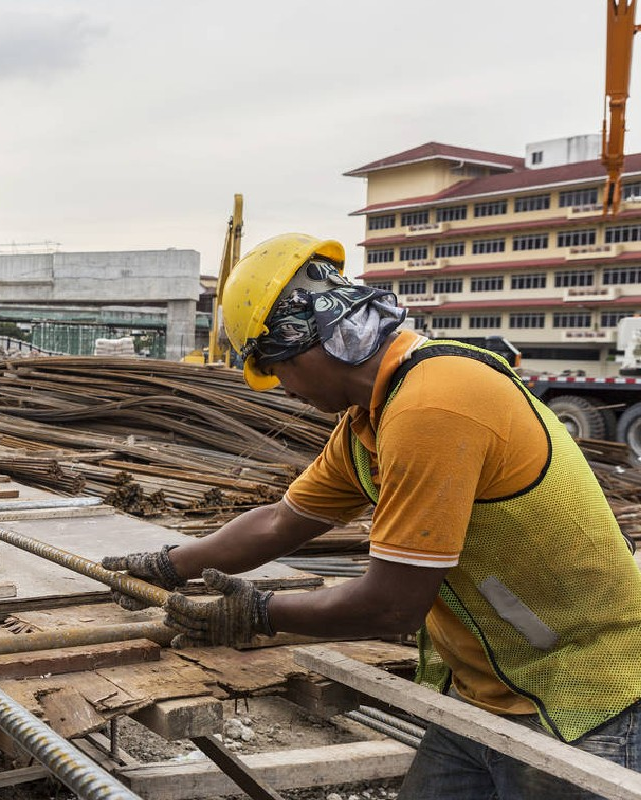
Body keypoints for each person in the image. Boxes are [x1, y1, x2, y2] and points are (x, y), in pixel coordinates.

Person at [101, 233, 641, 798]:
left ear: (306, 342)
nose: (282, 387)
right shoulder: (370, 422)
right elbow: (280, 523)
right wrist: (167, 565)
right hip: (487, 691)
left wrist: (258, 612)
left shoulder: (436, 403)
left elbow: (392, 606)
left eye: (274, 368)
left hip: (585, 699)